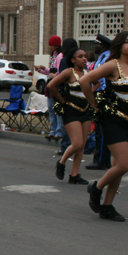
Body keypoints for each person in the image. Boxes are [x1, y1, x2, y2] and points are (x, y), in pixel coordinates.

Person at [79, 31, 128, 222]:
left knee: (118, 167)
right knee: (123, 164)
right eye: (127, 42)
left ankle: (107, 206)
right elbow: (84, 81)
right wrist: (95, 104)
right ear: (119, 45)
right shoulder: (112, 65)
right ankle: (96, 187)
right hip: (112, 119)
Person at [47, 47, 96, 185]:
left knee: (82, 145)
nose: (84, 59)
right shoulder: (69, 72)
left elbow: (97, 82)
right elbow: (51, 85)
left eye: (85, 56)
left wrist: (90, 94)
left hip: (85, 110)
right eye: (80, 56)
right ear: (73, 60)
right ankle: (61, 162)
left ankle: (74, 175)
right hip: (71, 111)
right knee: (77, 143)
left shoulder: (88, 73)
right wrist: (62, 100)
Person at [85, 34, 113, 170]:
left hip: (103, 94)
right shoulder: (102, 57)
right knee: (100, 129)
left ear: (101, 45)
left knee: (102, 130)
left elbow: (102, 79)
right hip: (99, 93)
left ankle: (101, 160)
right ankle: (103, 160)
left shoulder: (107, 57)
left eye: (95, 44)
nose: (93, 47)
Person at [36, 36, 63, 140]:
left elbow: (56, 71)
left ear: (56, 45)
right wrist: (41, 70)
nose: (50, 47)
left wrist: (46, 69)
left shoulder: (59, 57)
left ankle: (59, 131)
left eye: (52, 45)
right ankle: (53, 130)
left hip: (55, 83)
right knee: (51, 109)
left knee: (56, 109)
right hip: (50, 82)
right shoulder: (53, 56)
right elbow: (50, 71)